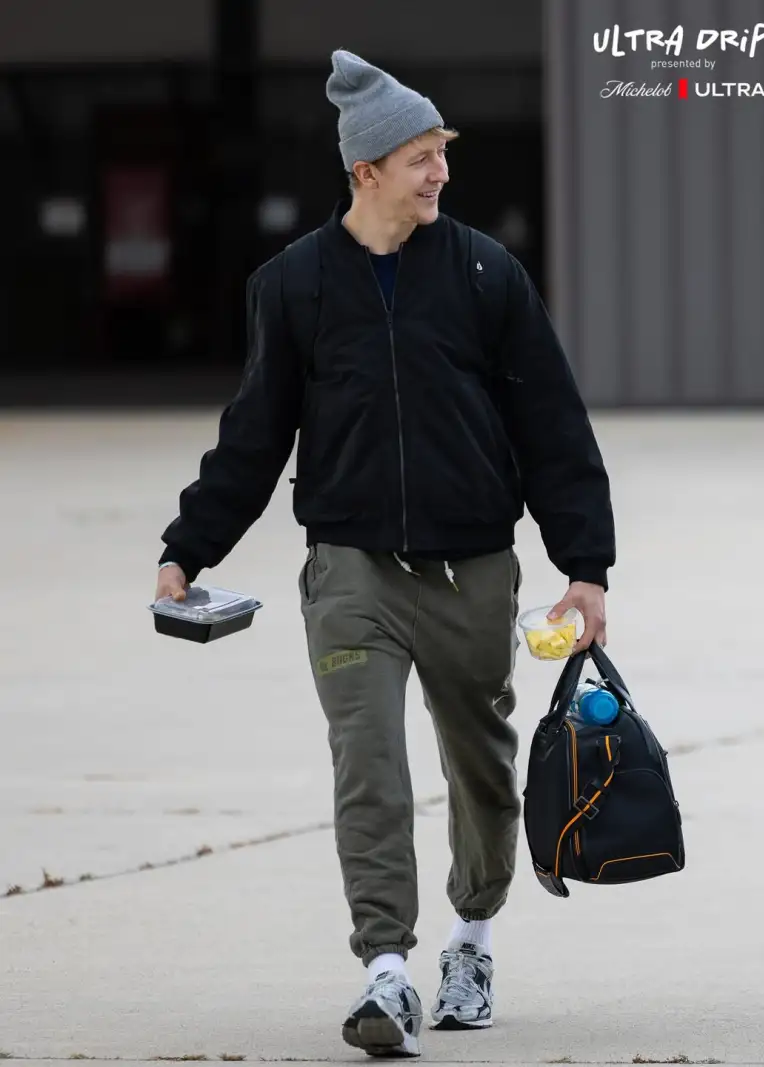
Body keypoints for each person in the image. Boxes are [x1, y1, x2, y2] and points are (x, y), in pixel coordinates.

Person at [155, 50, 615, 1059]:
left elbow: (553, 430)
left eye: (441, 152)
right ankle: (386, 972)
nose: (439, 172)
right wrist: (186, 548)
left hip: (471, 571)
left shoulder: (488, 274)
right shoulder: (293, 286)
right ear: (364, 170)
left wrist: (584, 567)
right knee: (366, 766)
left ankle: (471, 939)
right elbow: (254, 433)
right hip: (351, 569)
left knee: (482, 774)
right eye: (419, 156)